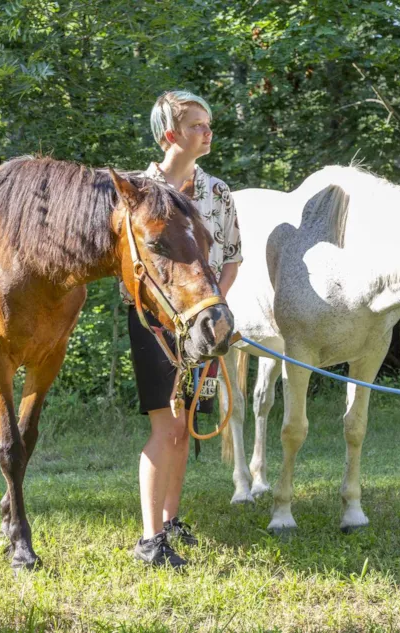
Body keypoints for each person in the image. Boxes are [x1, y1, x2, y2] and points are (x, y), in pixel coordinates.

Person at [125, 90, 242, 568]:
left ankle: (171, 521)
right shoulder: (135, 191)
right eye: (197, 125)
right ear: (169, 134)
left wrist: (214, 311)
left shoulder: (218, 193)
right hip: (155, 322)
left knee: (186, 427)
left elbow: (232, 257)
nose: (207, 132)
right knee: (165, 424)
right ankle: (150, 541)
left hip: (203, 325)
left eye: (209, 123)